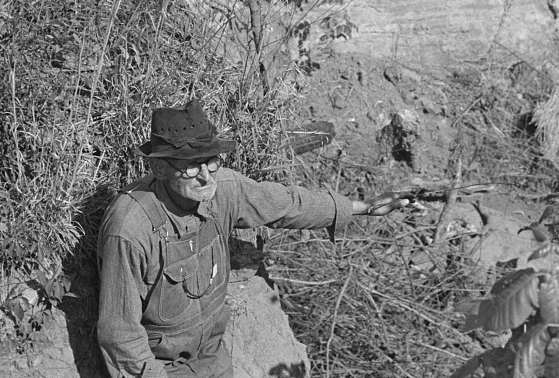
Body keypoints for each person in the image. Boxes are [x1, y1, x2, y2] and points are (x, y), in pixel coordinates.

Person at [97, 99, 410, 378]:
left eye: (211, 161)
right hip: (162, 366)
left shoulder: (224, 190)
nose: (206, 176)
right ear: (160, 168)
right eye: (191, 167)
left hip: (212, 357)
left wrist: (364, 207)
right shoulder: (130, 228)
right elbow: (120, 335)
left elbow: (288, 204)